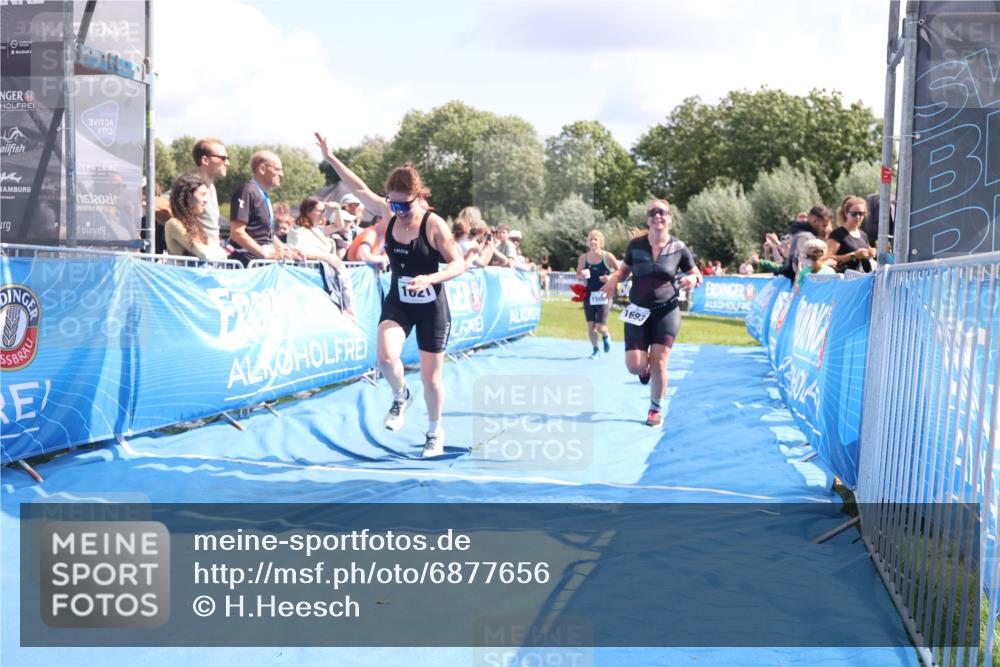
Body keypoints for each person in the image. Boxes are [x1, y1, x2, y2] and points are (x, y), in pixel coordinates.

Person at [316, 131, 465, 457]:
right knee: (385, 357)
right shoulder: (389, 212)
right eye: (392, 203)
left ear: (418, 198)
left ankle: (434, 431)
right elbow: (358, 188)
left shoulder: (433, 224)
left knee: (432, 379)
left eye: (404, 204)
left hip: (432, 306)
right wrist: (331, 158)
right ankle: (400, 396)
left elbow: (459, 264)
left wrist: (431, 277)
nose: (398, 210)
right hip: (400, 301)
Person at [601, 199, 701, 427]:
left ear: (670, 218)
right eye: (653, 212)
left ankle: (655, 409)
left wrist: (693, 278)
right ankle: (644, 368)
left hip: (667, 311)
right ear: (647, 219)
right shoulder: (636, 245)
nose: (657, 216)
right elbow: (623, 271)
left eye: (662, 212)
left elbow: (696, 273)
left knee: (660, 362)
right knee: (635, 367)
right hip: (637, 310)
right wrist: (614, 279)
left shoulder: (679, 247)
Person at [229, 150, 295, 266]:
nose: (281, 174)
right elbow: (237, 233)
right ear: (262, 169)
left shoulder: (263, 195)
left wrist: (289, 253)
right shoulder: (247, 191)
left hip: (261, 263)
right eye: (277, 169)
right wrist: (266, 255)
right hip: (248, 265)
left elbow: (267, 236)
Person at [163, 174, 229, 260]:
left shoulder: (195, 224)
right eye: (202, 194)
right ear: (188, 196)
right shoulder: (174, 223)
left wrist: (217, 252)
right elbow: (204, 254)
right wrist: (216, 251)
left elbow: (223, 254)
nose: (206, 200)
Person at [576, 229, 619, 357]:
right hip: (589, 295)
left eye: (596, 239)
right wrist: (582, 275)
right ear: (587, 242)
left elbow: (620, 272)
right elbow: (578, 275)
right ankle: (595, 350)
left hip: (604, 294)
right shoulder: (583, 258)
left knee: (600, 327)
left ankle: (605, 335)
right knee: (591, 326)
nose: (593, 241)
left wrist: (609, 277)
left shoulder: (608, 256)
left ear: (601, 242)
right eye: (590, 239)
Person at [192, 138, 228, 246]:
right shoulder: (191, 185)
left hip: (212, 253)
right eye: (223, 158)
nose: (227, 163)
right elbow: (158, 203)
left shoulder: (211, 187)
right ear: (205, 160)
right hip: (196, 255)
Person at [781, 205, 831, 282]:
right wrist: (826, 263)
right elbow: (799, 264)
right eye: (824, 225)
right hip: (802, 283)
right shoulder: (805, 237)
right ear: (815, 221)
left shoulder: (801, 234)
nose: (825, 229)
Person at [827, 196, 876, 273]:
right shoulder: (837, 234)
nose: (858, 217)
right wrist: (854, 256)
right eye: (854, 214)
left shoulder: (863, 235)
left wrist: (871, 252)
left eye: (861, 214)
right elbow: (827, 259)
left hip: (864, 277)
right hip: (844, 278)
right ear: (846, 213)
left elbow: (867, 255)